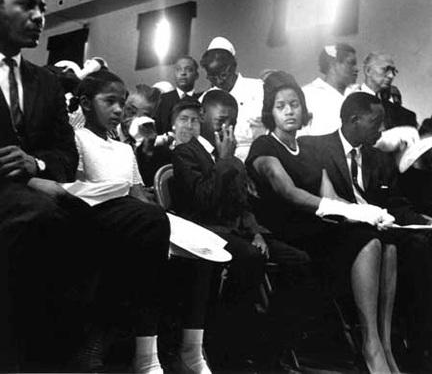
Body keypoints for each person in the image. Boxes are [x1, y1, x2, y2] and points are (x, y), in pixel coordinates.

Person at [245, 71, 399, 374]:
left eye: (295, 104)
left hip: (317, 229)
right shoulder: (264, 146)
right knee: (365, 242)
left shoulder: (309, 149)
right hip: (287, 234)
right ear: (270, 112)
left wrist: (370, 212)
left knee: (388, 242)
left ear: (304, 109)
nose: (289, 111)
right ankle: (370, 344)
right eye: (281, 106)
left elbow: (330, 197)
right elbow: (286, 191)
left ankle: (384, 343)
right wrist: (353, 214)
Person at [71, 69, 212, 374]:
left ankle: (190, 351)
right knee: (149, 231)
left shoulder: (125, 150)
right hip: (99, 222)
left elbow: (139, 193)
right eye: (110, 102)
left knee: (199, 244)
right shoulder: (77, 139)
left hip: (136, 220)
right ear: (85, 103)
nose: (119, 110)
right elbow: (78, 190)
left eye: (122, 102)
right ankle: (144, 356)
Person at [172, 89, 313, 368]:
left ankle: (269, 347)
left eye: (231, 122)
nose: (226, 128)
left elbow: (243, 205)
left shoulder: (232, 156)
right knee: (249, 258)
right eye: (219, 121)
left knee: (300, 262)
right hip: (202, 231)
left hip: (237, 232)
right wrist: (224, 161)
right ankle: (226, 347)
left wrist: (258, 232)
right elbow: (202, 201)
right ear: (202, 116)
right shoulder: (186, 153)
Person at [0, 0, 96, 369]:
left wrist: (36, 164)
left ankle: (96, 348)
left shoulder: (47, 82)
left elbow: (65, 153)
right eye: (26, 5)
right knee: (43, 218)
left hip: (41, 188)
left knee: (140, 219)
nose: (40, 16)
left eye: (42, 8)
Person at [310, 92, 432, 372]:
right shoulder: (318, 148)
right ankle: (372, 342)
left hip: (380, 232)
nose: (381, 129)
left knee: (407, 246)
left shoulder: (378, 158)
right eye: (376, 122)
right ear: (354, 120)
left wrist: (423, 221)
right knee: (378, 243)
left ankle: (387, 345)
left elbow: (396, 204)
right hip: (339, 232)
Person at [200, 36, 266, 161]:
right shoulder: (206, 100)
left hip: (261, 155)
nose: (219, 81)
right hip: (224, 160)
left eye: (223, 75)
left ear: (233, 67)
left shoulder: (258, 88)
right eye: (213, 77)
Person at [299, 43, 358, 136]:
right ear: (333, 64)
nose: (356, 69)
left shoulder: (357, 94)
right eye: (350, 63)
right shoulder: (308, 94)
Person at [347, 52, 417, 128]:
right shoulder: (345, 100)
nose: (391, 76)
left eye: (393, 71)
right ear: (368, 71)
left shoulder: (401, 114)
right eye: (386, 69)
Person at [155, 55, 201, 134]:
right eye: (178, 69)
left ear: (196, 75)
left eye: (188, 70)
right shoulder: (163, 100)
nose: (183, 73)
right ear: (174, 74)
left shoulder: (201, 99)